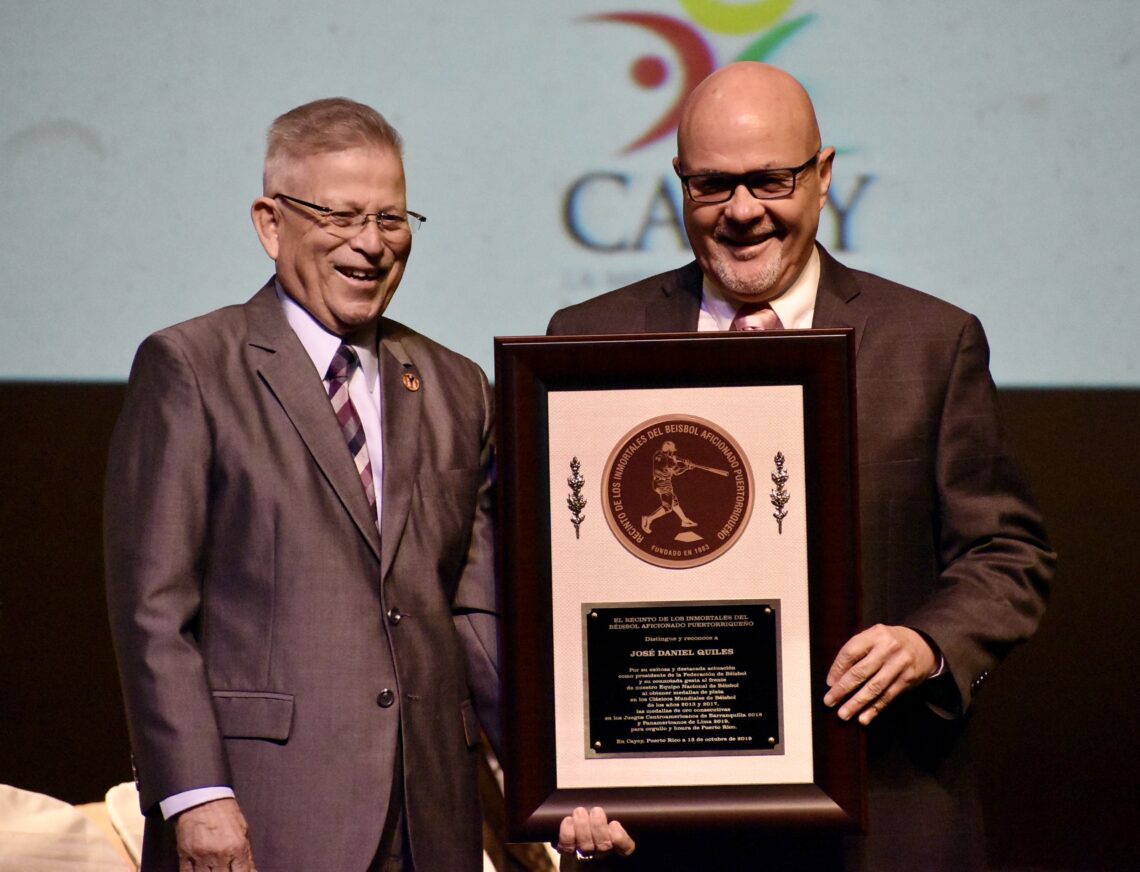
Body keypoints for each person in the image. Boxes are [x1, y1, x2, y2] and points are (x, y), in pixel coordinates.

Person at [547, 62, 1054, 870]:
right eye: (713, 185)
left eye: (769, 180)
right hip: (666, 827)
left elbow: (1008, 553)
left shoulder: (930, 342)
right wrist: (572, 768)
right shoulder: (587, 339)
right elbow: (548, 584)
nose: (743, 211)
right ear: (679, 186)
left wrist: (927, 643)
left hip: (882, 812)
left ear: (821, 179)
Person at [104, 98, 613, 872]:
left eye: (392, 218)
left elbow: (474, 617)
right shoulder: (193, 368)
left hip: (429, 812)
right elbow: (153, 611)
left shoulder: (456, 385)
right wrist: (196, 795)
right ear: (270, 224)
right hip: (261, 807)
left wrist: (561, 781)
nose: (371, 244)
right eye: (342, 217)